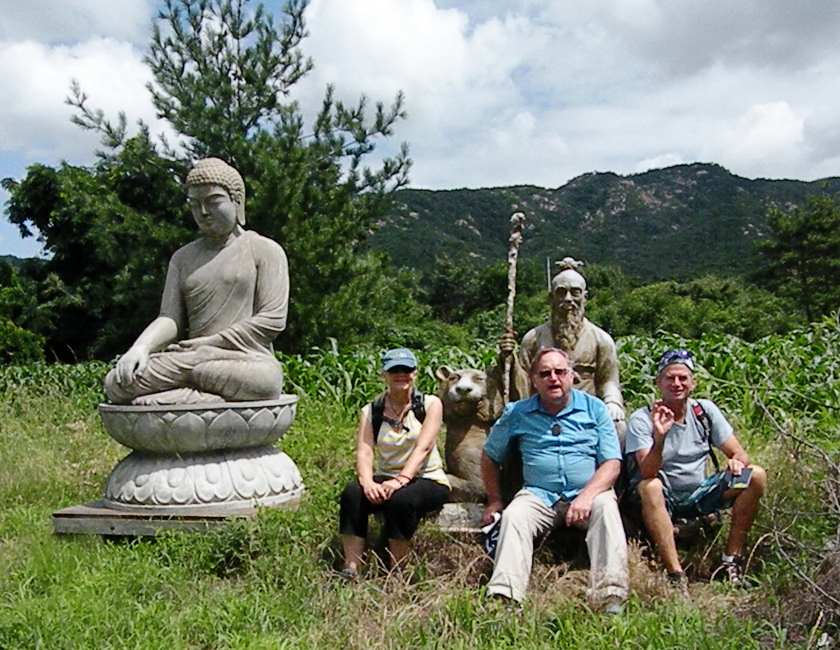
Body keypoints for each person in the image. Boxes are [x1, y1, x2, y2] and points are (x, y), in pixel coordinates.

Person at [104, 158, 287, 405]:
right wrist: (140, 348)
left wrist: (210, 345)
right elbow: (169, 318)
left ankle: (185, 395)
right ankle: (202, 396)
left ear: (237, 201)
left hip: (242, 359)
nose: (203, 212)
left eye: (213, 201)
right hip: (191, 357)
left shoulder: (264, 250)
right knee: (117, 383)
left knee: (265, 381)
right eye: (194, 204)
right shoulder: (182, 258)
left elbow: (272, 320)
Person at [481, 347, 628, 612]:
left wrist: (586, 497)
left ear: (572, 376)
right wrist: (494, 499)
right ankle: (505, 597)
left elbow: (611, 463)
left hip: (588, 492)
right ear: (534, 380)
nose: (553, 378)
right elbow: (490, 455)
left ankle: (610, 597)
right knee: (514, 516)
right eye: (545, 373)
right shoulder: (517, 412)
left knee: (607, 507)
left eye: (560, 372)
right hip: (539, 494)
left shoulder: (595, 408)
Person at [624, 349, 768, 591]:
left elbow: (739, 453)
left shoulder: (704, 411)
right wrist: (660, 438)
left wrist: (736, 462)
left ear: (693, 383)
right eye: (670, 378)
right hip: (662, 496)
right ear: (658, 382)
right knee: (650, 486)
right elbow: (647, 472)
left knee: (755, 475)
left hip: (700, 493)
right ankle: (675, 574)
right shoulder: (643, 418)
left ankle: (730, 562)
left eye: (683, 378)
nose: (676, 384)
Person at [338, 348, 451, 577]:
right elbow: (365, 450)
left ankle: (398, 572)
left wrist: (401, 480)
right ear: (384, 375)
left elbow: (424, 447)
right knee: (352, 494)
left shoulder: (430, 404)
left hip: (426, 477)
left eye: (406, 369)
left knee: (401, 500)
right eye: (394, 370)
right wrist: (367, 482)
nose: (401, 375)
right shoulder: (371, 411)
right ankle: (351, 567)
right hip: (386, 475)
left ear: (415, 373)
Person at [498, 258, 625, 433]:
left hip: (586, 414)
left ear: (585, 297)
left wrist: (612, 402)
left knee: (619, 427)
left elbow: (608, 380)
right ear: (551, 298)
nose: (568, 299)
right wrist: (508, 358)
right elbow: (523, 383)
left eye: (575, 293)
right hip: (540, 414)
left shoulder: (601, 339)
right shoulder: (533, 339)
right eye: (561, 293)